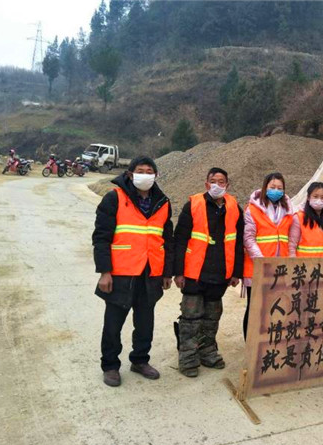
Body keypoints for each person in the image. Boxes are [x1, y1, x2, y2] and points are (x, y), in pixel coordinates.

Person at [93, 156, 174, 387]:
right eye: (141, 170)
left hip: (151, 274)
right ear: (130, 174)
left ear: (156, 176)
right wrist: (104, 272)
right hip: (121, 273)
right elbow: (101, 237)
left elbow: (167, 240)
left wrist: (167, 272)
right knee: (113, 323)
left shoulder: (162, 202)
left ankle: (140, 360)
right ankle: (110, 365)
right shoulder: (114, 198)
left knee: (145, 322)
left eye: (150, 171)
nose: (145, 174)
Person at [173, 168, 244, 378]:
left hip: (220, 274)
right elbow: (180, 240)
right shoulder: (193, 205)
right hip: (194, 273)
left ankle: (207, 352)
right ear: (206, 184)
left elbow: (238, 242)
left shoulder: (234, 207)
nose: (217, 185)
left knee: (212, 318)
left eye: (221, 181)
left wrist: (235, 272)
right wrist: (178, 272)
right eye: (213, 181)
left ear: (227, 185)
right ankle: (188, 357)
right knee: (191, 318)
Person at [243, 172, 295, 339]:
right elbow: (248, 238)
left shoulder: (288, 210)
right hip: (258, 268)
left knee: (277, 307)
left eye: (280, 188)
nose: (276, 190)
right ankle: (251, 344)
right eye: (272, 187)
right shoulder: (252, 209)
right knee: (254, 308)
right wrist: (262, 261)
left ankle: (268, 342)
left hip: (280, 269)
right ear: (265, 187)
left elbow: (290, 239)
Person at [289, 182, 323, 258]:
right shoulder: (298, 218)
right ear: (308, 197)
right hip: (305, 267)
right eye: (315, 196)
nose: (319, 200)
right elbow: (291, 247)